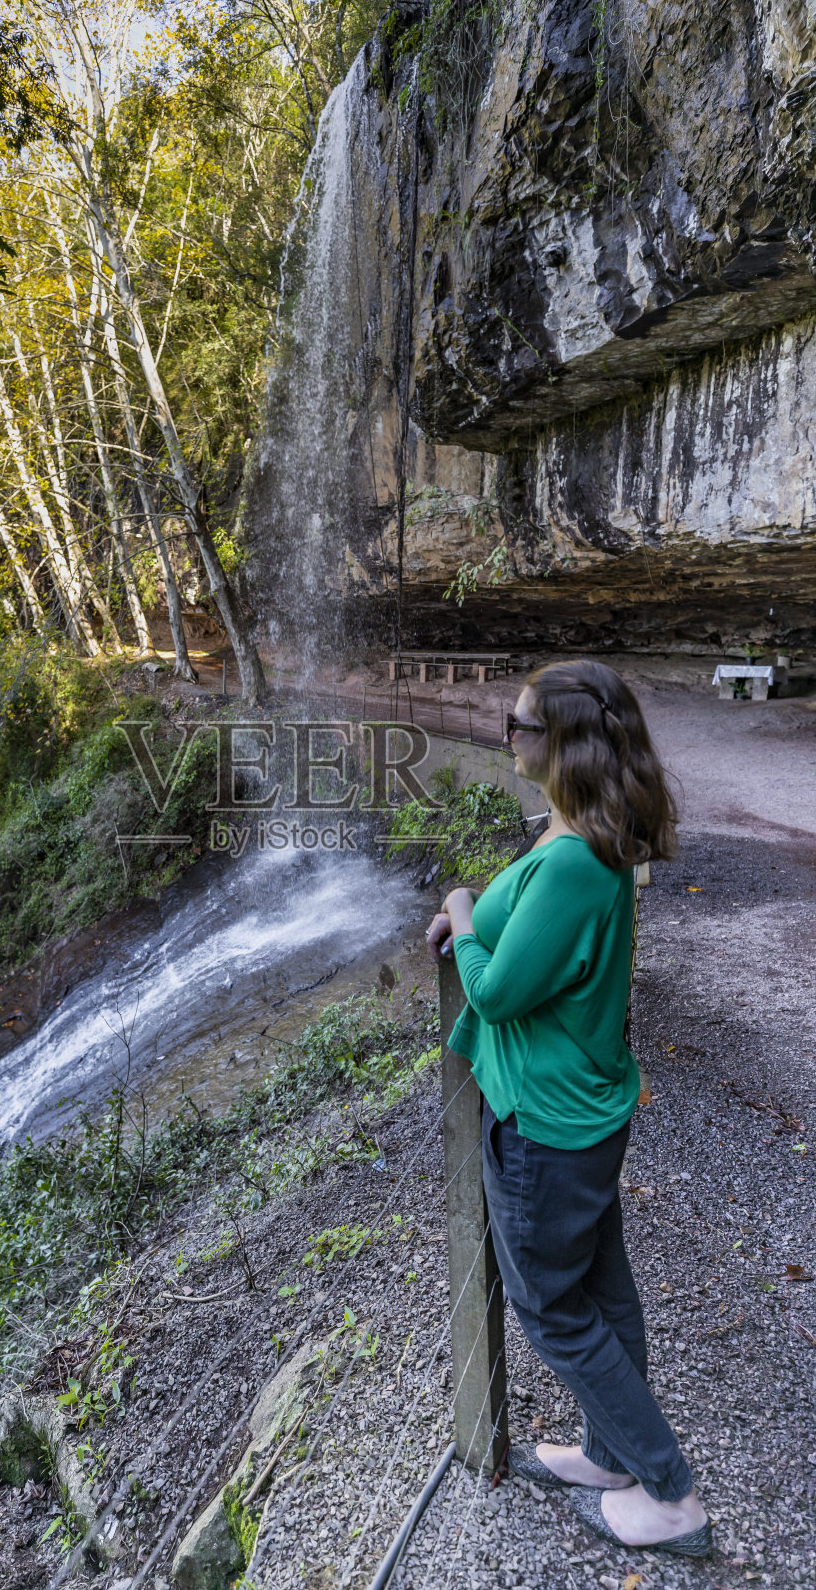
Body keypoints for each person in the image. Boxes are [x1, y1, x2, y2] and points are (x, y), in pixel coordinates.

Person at [425, 659, 711, 1557]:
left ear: (566, 744)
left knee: (551, 1309)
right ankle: (609, 1455)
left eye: (518, 726)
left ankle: (670, 1497)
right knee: (601, 1291)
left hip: (545, 1130)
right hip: (581, 1113)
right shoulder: (586, 834)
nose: (504, 737)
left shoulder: (575, 865)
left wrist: (464, 914)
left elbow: (499, 993)